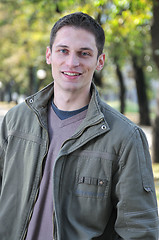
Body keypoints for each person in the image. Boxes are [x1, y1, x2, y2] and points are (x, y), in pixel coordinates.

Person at [0, 12, 158, 240]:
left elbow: (139, 230)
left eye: (84, 54)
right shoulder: (15, 121)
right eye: (63, 51)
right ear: (49, 55)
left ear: (99, 61)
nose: (72, 62)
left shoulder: (125, 138)